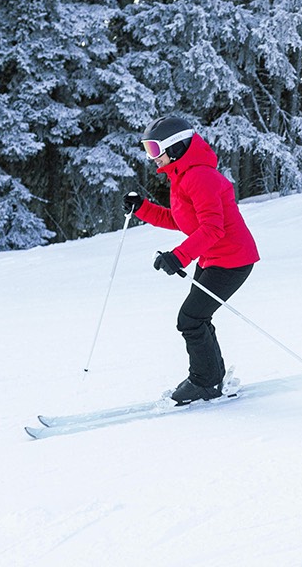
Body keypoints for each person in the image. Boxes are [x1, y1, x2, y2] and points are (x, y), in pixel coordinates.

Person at [123, 116, 260, 405]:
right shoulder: (183, 176)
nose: (152, 157)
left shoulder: (199, 176)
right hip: (214, 258)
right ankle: (212, 378)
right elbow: (181, 219)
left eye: (154, 148)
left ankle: (205, 383)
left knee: (191, 319)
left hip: (231, 260)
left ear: (175, 147)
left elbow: (212, 228)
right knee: (196, 318)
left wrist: (179, 257)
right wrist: (143, 208)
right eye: (148, 148)